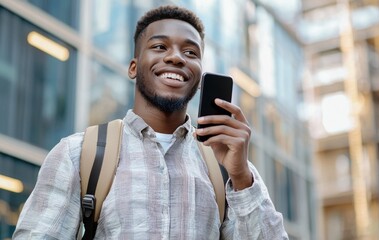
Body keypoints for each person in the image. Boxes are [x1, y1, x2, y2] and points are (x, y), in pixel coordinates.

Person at [13, 5, 288, 239]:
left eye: (191, 53)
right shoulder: (78, 154)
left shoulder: (228, 168)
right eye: (159, 46)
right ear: (134, 67)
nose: (176, 57)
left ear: (199, 75)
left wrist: (241, 177)